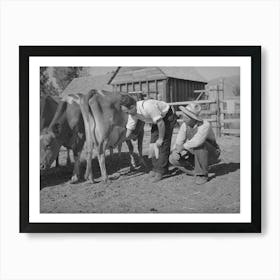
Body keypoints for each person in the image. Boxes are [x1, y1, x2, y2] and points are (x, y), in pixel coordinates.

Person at [120, 95, 177, 182]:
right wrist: (121, 140)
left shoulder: (148, 107)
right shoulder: (133, 113)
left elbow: (161, 123)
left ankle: (161, 171)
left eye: (127, 112)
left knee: (163, 144)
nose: (127, 114)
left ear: (132, 107)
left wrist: (161, 138)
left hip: (167, 116)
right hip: (156, 120)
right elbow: (130, 128)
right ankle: (155, 168)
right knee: (153, 144)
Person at [169, 103, 220, 185]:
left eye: (186, 117)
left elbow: (197, 141)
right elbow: (179, 141)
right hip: (195, 151)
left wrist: (182, 148)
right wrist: (175, 150)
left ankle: (202, 174)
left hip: (211, 152)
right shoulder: (185, 125)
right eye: (184, 116)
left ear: (193, 118)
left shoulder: (205, 125)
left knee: (200, 145)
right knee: (172, 158)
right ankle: (194, 170)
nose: (183, 119)